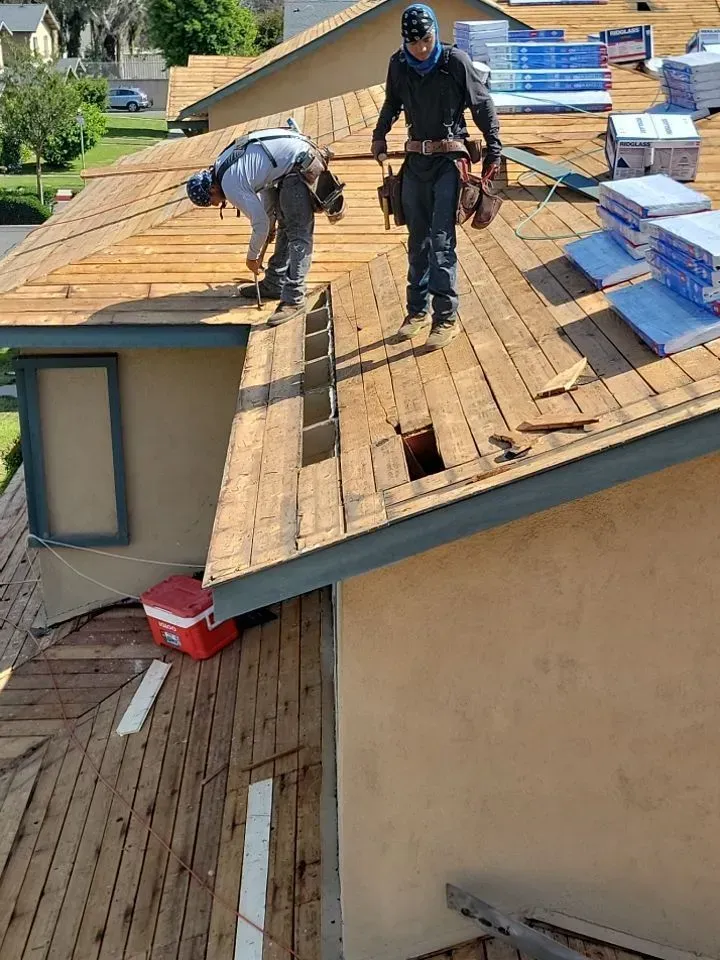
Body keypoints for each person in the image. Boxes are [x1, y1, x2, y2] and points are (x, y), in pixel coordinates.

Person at [371, 4, 502, 348]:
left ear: (434, 34)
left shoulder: (455, 62)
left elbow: (482, 104)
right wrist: (379, 135)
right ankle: (416, 313)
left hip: (449, 161)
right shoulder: (399, 65)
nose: (422, 49)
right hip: (415, 162)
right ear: (405, 42)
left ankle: (445, 318)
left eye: (427, 40)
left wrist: (494, 146)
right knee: (417, 240)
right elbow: (391, 103)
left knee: (441, 241)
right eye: (414, 43)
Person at [186, 125, 318, 326]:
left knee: (299, 235)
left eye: (212, 201)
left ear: (212, 187)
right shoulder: (223, 165)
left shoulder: (230, 184)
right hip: (286, 163)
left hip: (299, 163)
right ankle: (275, 283)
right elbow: (263, 183)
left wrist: (252, 258)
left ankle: (294, 299)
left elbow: (260, 225)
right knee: (284, 224)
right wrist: (271, 222)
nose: (216, 205)